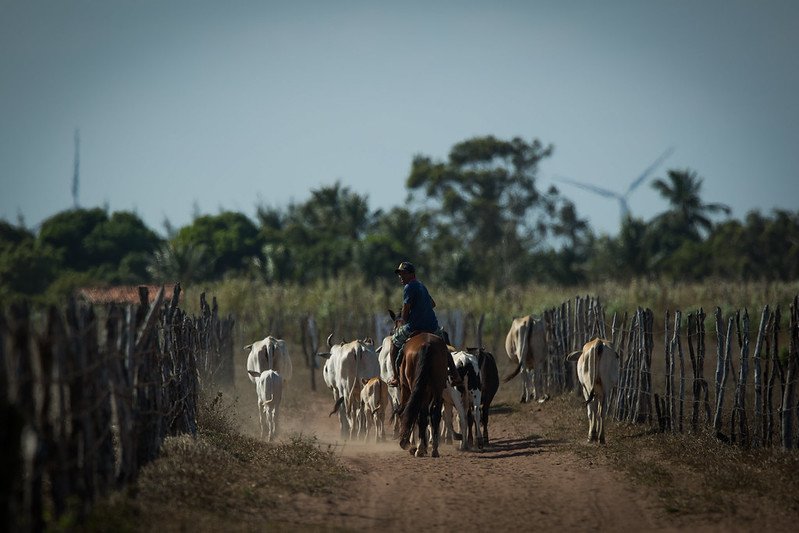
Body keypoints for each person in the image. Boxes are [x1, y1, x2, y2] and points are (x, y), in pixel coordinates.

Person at [387, 261, 462, 387]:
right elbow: (433, 304)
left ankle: (395, 377)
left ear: (411, 274)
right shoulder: (422, 285)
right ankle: (455, 374)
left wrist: (405, 319)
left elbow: (405, 313)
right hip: (432, 325)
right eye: (399, 274)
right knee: (443, 346)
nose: (400, 276)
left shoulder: (408, 287)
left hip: (415, 326)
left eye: (403, 273)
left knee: (394, 344)